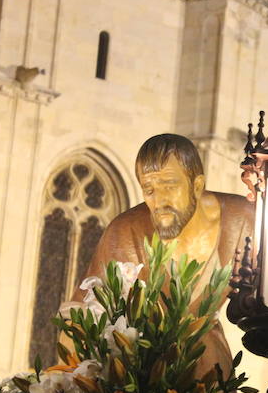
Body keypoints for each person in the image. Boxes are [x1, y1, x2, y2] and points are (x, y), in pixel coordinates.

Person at [69, 133, 253, 378]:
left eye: (169, 185)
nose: (159, 201)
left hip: (210, 375)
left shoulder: (243, 222)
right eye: (149, 189)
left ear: (197, 185)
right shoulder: (125, 232)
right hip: (138, 380)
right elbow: (78, 321)